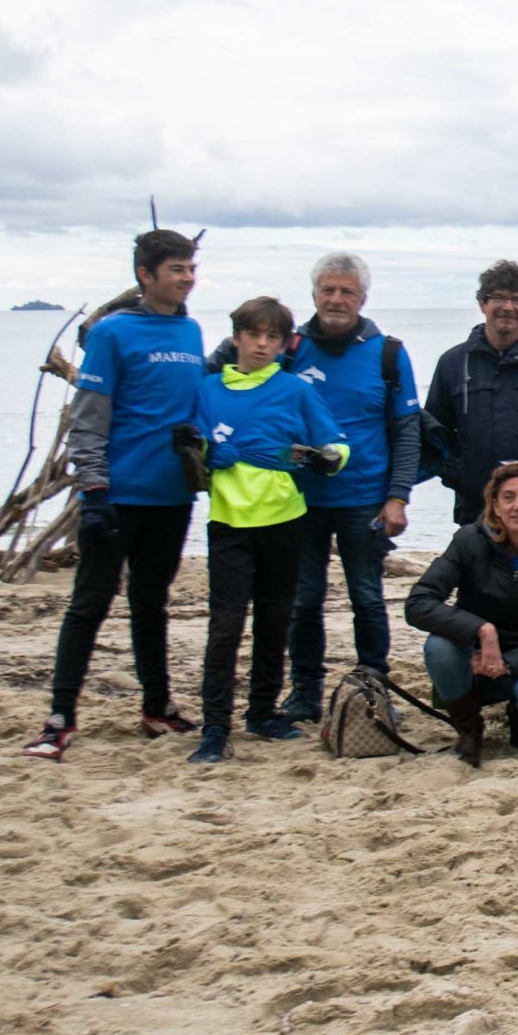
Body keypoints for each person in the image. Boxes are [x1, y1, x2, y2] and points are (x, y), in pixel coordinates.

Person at [26, 229, 207, 760]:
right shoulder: (113, 334)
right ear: (145, 276)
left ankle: (157, 707)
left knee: (151, 604)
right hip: (116, 495)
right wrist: (94, 489)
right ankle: (60, 717)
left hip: (172, 495)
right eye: (177, 269)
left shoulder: (192, 331)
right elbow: (87, 418)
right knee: (89, 604)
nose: (188, 278)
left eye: (191, 269)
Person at [183, 296, 351, 764]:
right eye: (254, 335)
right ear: (236, 337)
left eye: (272, 337)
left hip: (284, 520)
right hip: (230, 523)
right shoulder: (208, 390)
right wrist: (200, 454)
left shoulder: (295, 390)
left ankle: (261, 712)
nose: (262, 344)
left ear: (284, 343)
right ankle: (215, 727)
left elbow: (336, 444)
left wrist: (329, 459)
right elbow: (190, 456)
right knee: (225, 627)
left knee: (275, 622)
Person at [263, 251, 420, 722]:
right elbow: (242, 393)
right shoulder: (287, 348)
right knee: (303, 599)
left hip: (365, 499)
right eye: (328, 290)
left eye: (346, 291)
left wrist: (398, 496)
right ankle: (305, 693)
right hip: (298, 499)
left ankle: (373, 684)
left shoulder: (387, 352)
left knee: (367, 598)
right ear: (313, 295)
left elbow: (406, 429)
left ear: (362, 298)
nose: (336, 299)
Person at [406, 462, 518, 767]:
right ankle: (469, 728)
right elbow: (419, 603)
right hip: (472, 649)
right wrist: (481, 630)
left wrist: (509, 663)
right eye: (509, 497)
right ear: (495, 505)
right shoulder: (468, 540)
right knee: (438, 646)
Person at [423, 260, 518, 525]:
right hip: (475, 506)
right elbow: (432, 431)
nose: (508, 307)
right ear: (482, 303)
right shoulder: (454, 362)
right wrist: (459, 474)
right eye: (499, 297)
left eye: (517, 299)